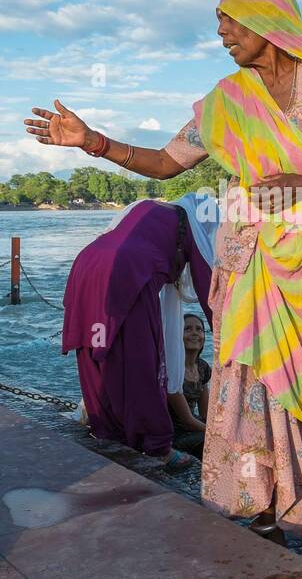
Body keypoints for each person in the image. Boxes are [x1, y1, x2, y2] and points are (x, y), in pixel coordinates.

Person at [27, 0, 302, 570]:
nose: (220, 33)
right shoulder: (227, 101)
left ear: (265, 21)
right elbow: (166, 163)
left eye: (228, 20)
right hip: (251, 265)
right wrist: (93, 141)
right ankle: (265, 511)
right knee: (253, 385)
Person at [61, 193, 218, 469]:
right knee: (143, 362)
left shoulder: (146, 208)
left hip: (87, 263)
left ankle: (105, 431)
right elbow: (211, 294)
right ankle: (158, 448)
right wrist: (230, 340)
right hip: (128, 270)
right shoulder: (193, 228)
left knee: (94, 348)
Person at [170, 312, 211, 456]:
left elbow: (205, 414)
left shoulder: (203, 367)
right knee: (213, 440)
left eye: (199, 329)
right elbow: (187, 420)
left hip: (195, 429)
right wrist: (216, 434)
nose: (194, 333)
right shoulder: (172, 369)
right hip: (175, 436)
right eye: (187, 329)